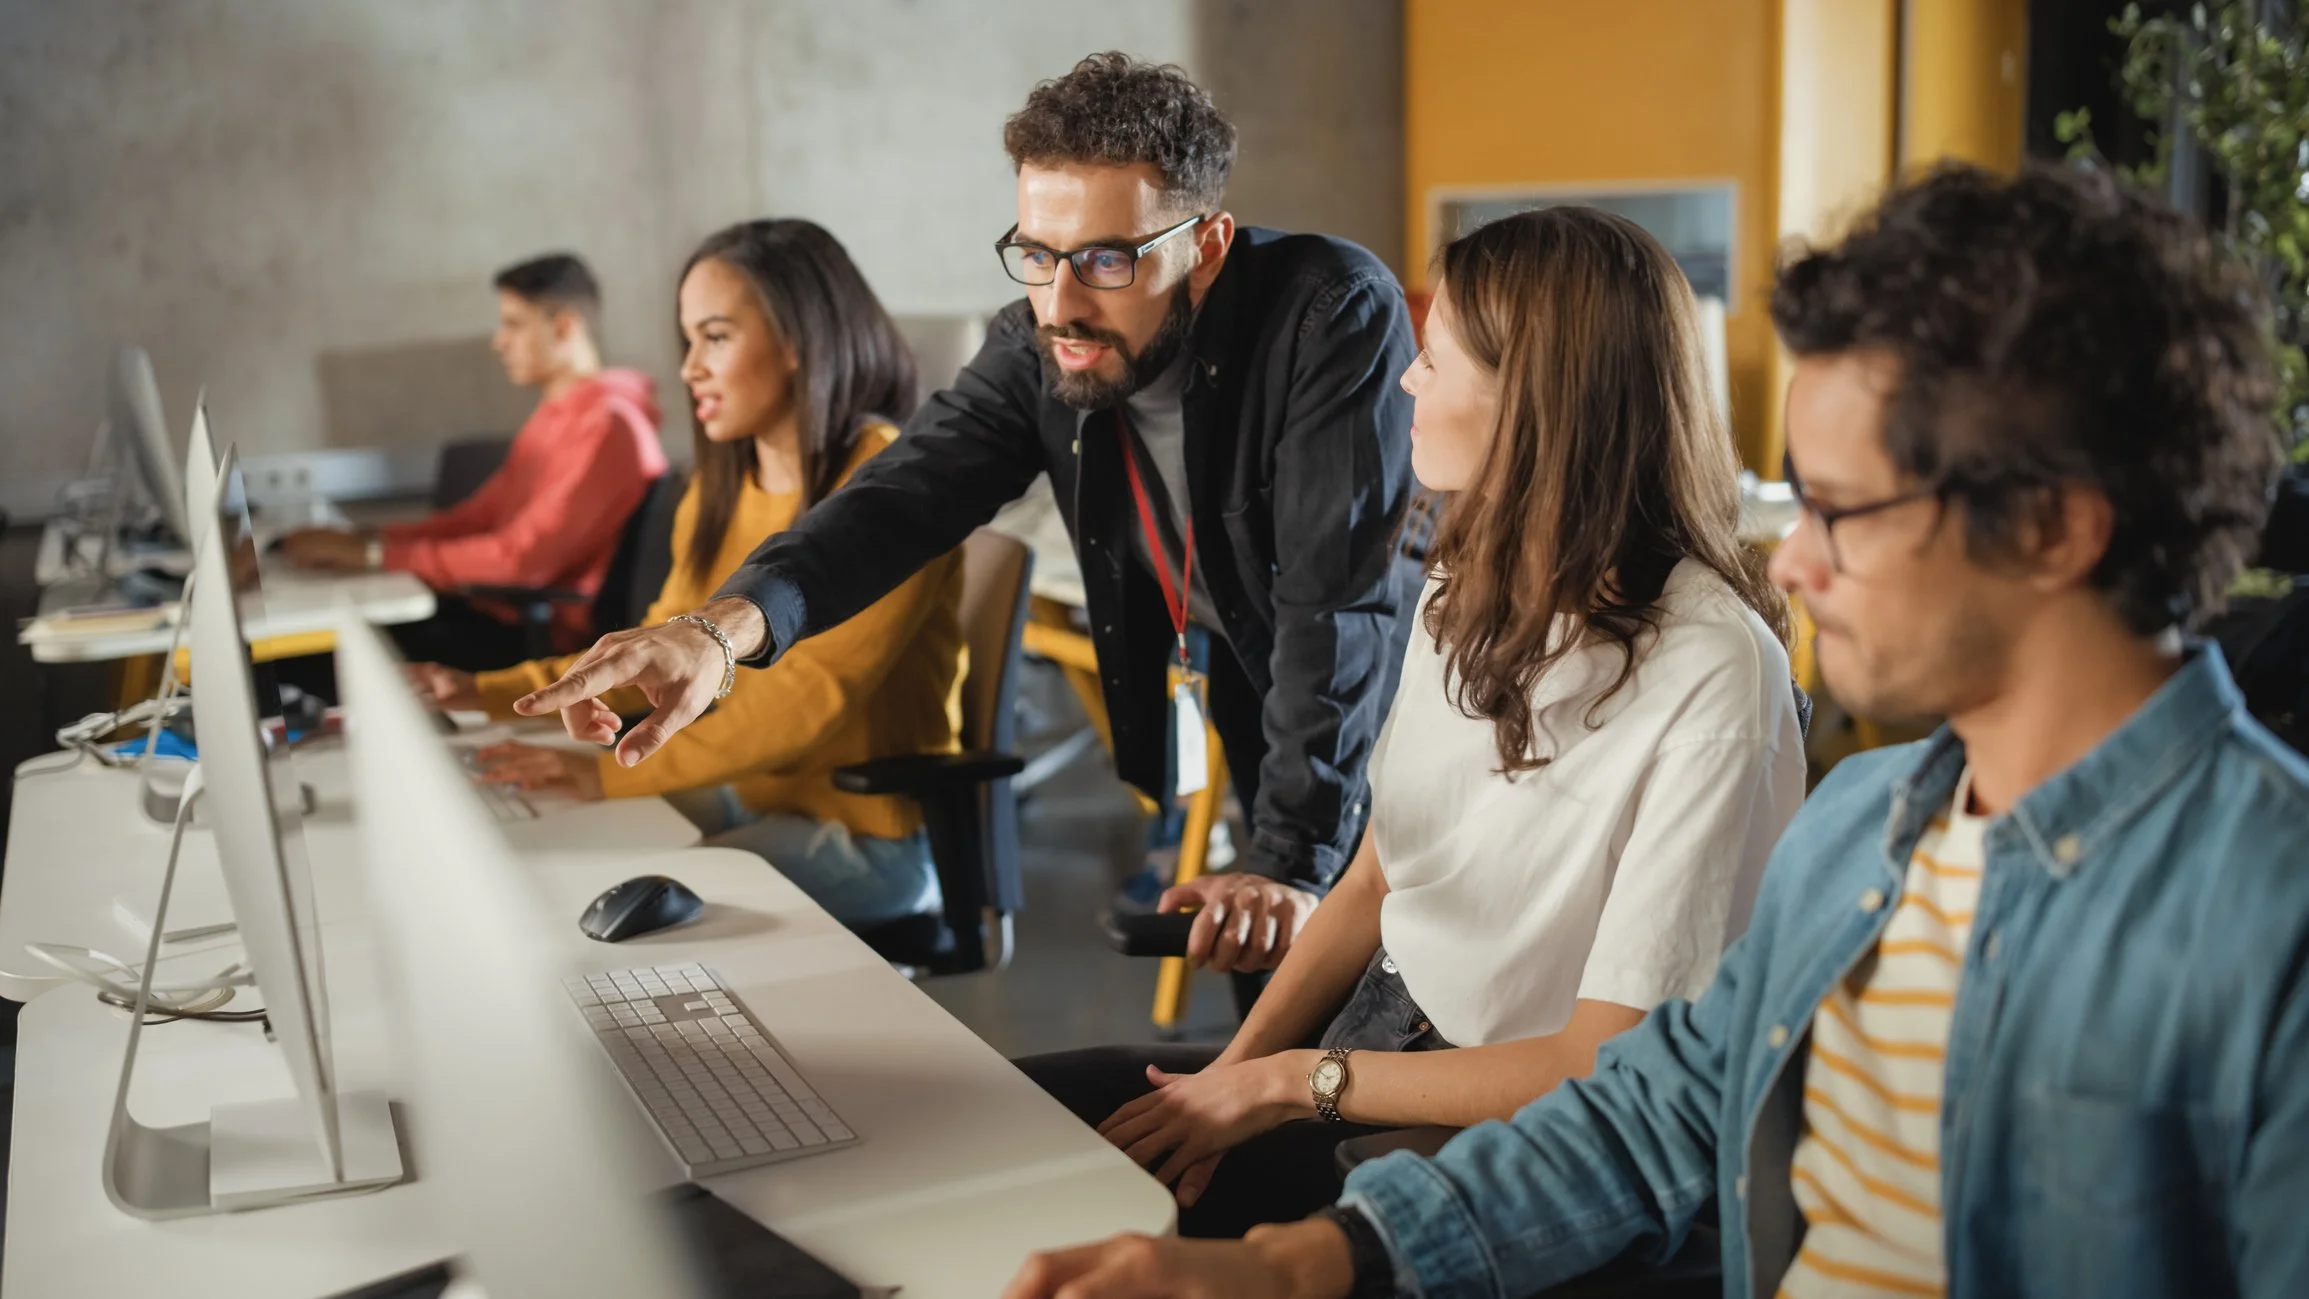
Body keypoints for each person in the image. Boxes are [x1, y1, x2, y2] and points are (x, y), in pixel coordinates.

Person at [1002, 163, 2309, 1299]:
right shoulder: (1866, 829)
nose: (1791, 562)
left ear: (2049, 525)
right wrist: (1284, 1264)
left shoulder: (2269, 920)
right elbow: (1645, 1115)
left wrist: (1293, 1101)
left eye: (1838, 511)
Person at [511, 53, 1426, 975]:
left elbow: (1333, 606)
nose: (1060, 305)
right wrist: (718, 632)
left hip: (1413, 692)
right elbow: (896, 499)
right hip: (1252, 673)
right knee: (1265, 968)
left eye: (1107, 260)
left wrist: (1289, 857)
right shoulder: (1039, 347)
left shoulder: (1327, 313)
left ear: (1208, 247)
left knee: (1394, 973)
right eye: (1036, 254)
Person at [1014, 207, 1807, 1239]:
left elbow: (1603, 1067)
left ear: (1531, 398)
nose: (1405, 382)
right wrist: (1224, 1076)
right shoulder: (1467, 583)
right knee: (1003, 1129)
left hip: (1503, 1133)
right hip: (1371, 1042)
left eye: (1433, 358)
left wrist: (1279, 1087)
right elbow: (1377, 878)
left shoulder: (1711, 671)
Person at [410, 221, 964, 925]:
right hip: (748, 791)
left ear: (799, 340)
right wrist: (487, 692)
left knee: (588, 904)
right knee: (540, 849)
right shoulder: (721, 486)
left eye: (717, 336)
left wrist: (605, 772)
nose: (689, 366)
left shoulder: (889, 488)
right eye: (689, 340)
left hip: (870, 838)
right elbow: (662, 642)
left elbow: (798, 704)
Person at [282, 253, 665, 671]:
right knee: (312, 639)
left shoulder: (608, 427)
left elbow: (523, 560)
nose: (499, 341)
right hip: (489, 609)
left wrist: (376, 555)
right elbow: (478, 518)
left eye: (514, 324)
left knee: (308, 658)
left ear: (564, 326)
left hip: (529, 639)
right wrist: (364, 538)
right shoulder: (558, 414)